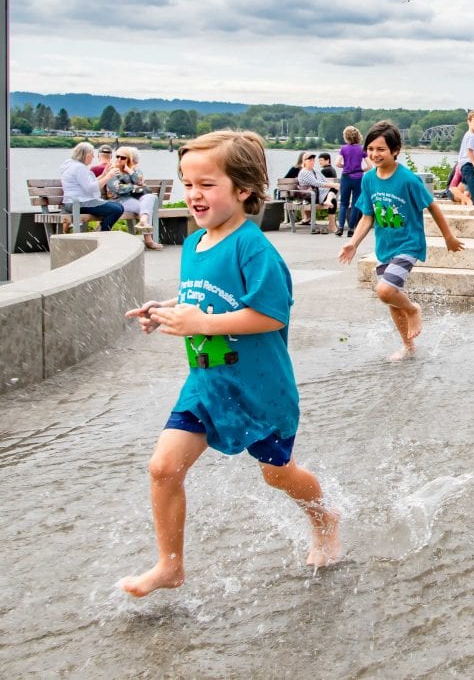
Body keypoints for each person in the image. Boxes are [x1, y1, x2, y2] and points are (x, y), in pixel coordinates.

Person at [117, 130, 340, 598]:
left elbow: (269, 314)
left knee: (277, 473)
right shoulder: (196, 242)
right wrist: (168, 310)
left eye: (206, 184)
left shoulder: (254, 248)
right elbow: (202, 300)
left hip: (258, 388)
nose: (193, 195)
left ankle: (324, 516)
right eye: (187, 183)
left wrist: (200, 319)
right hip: (205, 384)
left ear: (243, 190)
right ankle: (169, 565)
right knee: (163, 468)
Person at [338, 121, 464, 361]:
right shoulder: (368, 179)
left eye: (381, 149)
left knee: (385, 291)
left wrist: (448, 236)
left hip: (408, 245)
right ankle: (408, 346)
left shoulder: (407, 180)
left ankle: (413, 309)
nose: (375, 154)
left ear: (395, 150)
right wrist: (353, 243)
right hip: (384, 247)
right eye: (371, 149)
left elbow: (432, 205)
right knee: (392, 301)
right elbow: (368, 215)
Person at [59, 141, 124, 231]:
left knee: (118, 207)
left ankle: (101, 231)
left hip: (74, 202)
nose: (93, 157)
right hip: (78, 203)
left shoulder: (74, 166)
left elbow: (88, 184)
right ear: (86, 155)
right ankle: (102, 233)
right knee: (116, 209)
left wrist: (104, 174)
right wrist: (109, 176)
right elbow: (91, 188)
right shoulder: (79, 168)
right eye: (92, 154)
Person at [107, 146, 163, 250]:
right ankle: (148, 239)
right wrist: (133, 187)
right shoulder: (113, 170)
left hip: (135, 198)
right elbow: (117, 188)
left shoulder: (134, 169)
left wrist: (130, 171)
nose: (119, 159)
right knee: (144, 207)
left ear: (129, 159)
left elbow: (140, 182)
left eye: (123, 158)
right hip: (120, 200)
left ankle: (143, 221)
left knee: (150, 197)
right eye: (117, 156)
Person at [335, 126, 366, 238]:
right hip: (358, 178)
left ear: (346, 136)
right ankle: (351, 229)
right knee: (355, 204)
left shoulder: (344, 148)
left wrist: (345, 166)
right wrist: (361, 169)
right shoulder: (362, 149)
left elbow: (337, 163)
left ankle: (340, 227)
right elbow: (370, 165)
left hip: (346, 177)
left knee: (343, 203)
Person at [297, 153, 339, 232]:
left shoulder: (315, 171)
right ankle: (328, 202)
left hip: (317, 194)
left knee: (333, 200)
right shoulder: (304, 172)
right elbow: (316, 183)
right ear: (304, 161)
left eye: (313, 160)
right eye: (309, 160)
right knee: (334, 187)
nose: (312, 162)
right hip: (310, 196)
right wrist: (333, 185)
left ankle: (332, 225)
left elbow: (325, 181)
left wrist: (333, 185)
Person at [456, 110, 474, 206]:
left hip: (465, 166)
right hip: (469, 166)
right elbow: (470, 151)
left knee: (467, 190)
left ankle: (465, 207)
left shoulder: (468, 135)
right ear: (469, 122)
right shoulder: (472, 136)